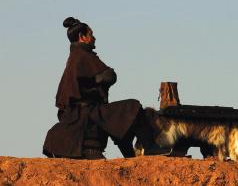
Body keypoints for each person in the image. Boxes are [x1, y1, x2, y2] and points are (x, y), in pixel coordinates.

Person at [43, 17, 171, 159]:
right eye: (91, 34)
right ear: (82, 37)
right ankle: (150, 147)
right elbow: (109, 76)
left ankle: (130, 156)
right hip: (88, 111)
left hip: (88, 110)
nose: (94, 38)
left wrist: (98, 79)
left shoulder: (78, 56)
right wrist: (99, 78)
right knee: (132, 106)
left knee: (118, 117)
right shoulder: (81, 56)